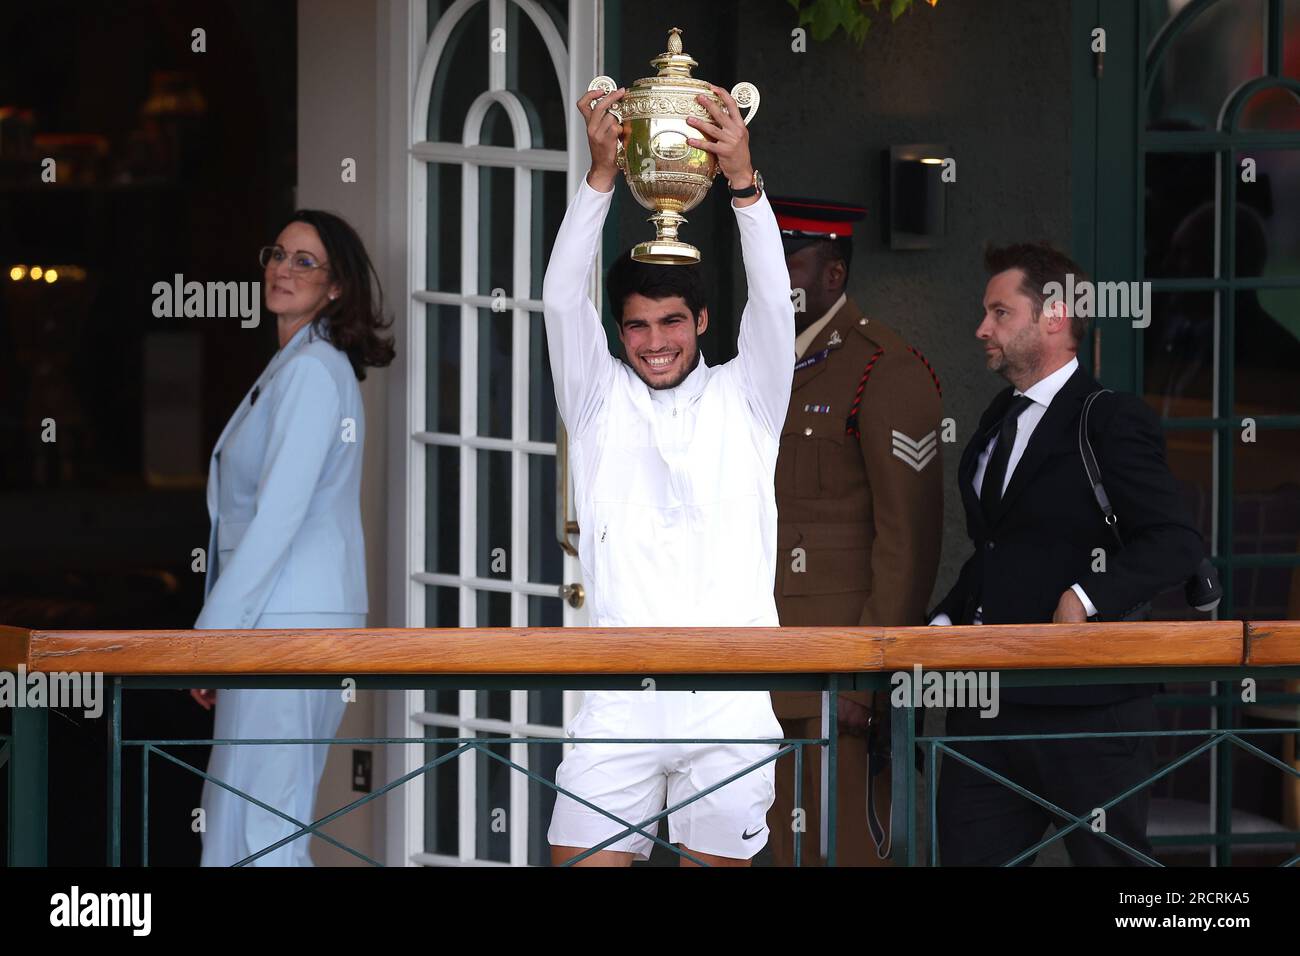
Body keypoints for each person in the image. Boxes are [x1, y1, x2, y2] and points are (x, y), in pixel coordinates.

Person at [543, 83, 793, 867]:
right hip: (617, 696)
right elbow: (558, 298)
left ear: (703, 322)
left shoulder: (749, 396)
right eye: (638, 326)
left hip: (731, 700)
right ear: (618, 332)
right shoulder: (595, 399)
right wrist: (601, 179)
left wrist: (746, 188)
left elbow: (775, 310)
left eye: (672, 322)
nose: (655, 342)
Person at [930, 242, 1203, 866]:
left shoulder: (1109, 418)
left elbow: (1175, 542)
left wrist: (1084, 597)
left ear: (1053, 315)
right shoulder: (999, 416)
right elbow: (999, 550)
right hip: (987, 709)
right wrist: (942, 623)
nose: (981, 328)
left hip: (1089, 711)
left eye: (999, 312)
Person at [190, 211, 394, 866]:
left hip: (291, 627)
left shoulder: (312, 372)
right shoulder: (294, 366)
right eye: (278, 252)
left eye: (305, 261)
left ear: (336, 287)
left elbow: (278, 516)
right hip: (273, 625)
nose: (283, 267)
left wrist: (213, 636)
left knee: (262, 834)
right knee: (244, 825)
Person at [766, 197, 943, 866]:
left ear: (833, 275)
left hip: (838, 671)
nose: (780, 273)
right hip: (761, 657)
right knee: (779, 848)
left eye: (795, 260)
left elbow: (910, 541)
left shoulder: (884, 368)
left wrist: (868, 674)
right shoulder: (766, 357)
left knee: (836, 852)